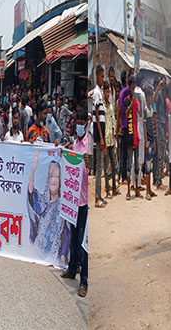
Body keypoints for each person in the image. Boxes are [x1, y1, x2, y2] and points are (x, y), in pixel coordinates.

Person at [60, 109, 89, 297]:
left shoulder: (88, 144)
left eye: (81, 121)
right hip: (73, 199)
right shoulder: (75, 143)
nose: (79, 125)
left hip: (84, 200)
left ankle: (84, 282)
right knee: (73, 237)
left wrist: (89, 162)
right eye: (77, 121)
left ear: (86, 123)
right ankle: (72, 269)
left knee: (83, 243)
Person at [27, 151, 69, 269]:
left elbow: (66, 231)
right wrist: (33, 170)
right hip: (37, 251)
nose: (53, 180)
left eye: (56, 176)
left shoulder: (63, 205)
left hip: (54, 255)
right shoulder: (43, 202)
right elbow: (31, 197)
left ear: (60, 180)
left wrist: (64, 254)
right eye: (51, 176)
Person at [92, 65, 107, 207]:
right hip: (98, 134)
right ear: (97, 76)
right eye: (102, 76)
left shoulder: (100, 93)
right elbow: (96, 115)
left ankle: (99, 195)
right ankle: (97, 197)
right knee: (98, 166)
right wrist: (101, 137)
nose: (103, 79)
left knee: (100, 164)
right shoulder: (97, 93)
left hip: (100, 132)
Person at [131, 75, 146, 194]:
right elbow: (142, 114)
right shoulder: (142, 94)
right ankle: (139, 183)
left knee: (132, 159)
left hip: (132, 128)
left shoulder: (132, 93)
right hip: (139, 128)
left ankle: (132, 183)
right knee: (139, 159)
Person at [143, 85, 157, 200]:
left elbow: (152, 125)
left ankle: (149, 189)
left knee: (150, 165)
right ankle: (147, 192)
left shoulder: (151, 109)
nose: (152, 98)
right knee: (147, 167)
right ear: (147, 97)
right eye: (151, 96)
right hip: (148, 141)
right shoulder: (145, 110)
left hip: (152, 140)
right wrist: (147, 142)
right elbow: (144, 126)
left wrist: (154, 141)